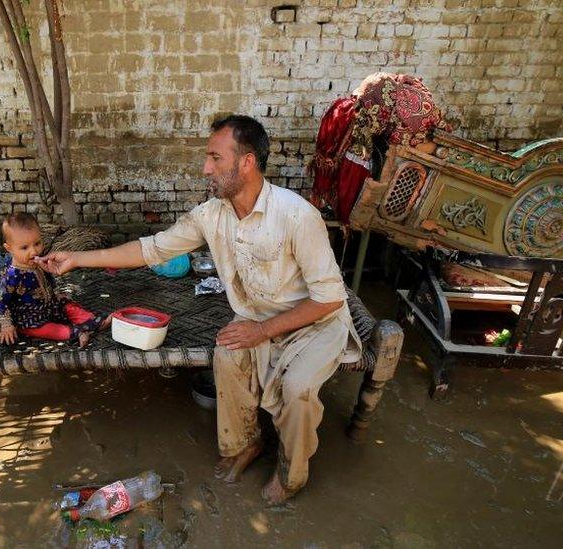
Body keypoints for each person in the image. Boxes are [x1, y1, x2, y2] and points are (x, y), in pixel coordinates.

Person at [37, 115, 361, 505]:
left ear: (247, 162)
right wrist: (76, 258)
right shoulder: (211, 215)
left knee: (297, 389)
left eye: (215, 158)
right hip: (258, 319)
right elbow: (151, 249)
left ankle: (291, 473)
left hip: (315, 323)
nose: (206, 168)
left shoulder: (296, 215)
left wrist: (263, 331)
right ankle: (245, 444)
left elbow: (329, 298)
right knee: (227, 355)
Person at [310, 72, 452, 224]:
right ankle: (340, 209)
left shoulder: (409, 122)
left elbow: (397, 141)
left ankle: (344, 212)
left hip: (421, 157)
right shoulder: (393, 100)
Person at [0, 212, 109, 349]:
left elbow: (48, 281)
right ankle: (77, 332)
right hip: (30, 320)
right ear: (9, 249)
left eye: (37, 243)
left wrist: (54, 294)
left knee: (68, 305)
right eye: (25, 248)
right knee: (53, 331)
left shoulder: (40, 261)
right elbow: (2, 303)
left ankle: (92, 322)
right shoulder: (11, 275)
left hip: (49, 306)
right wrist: (7, 325)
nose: (34, 251)